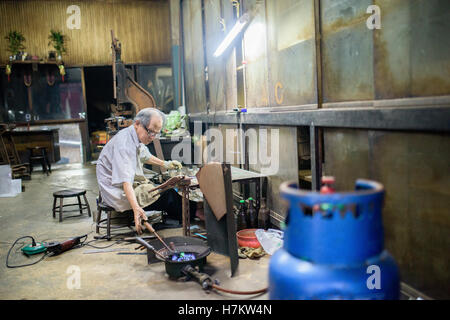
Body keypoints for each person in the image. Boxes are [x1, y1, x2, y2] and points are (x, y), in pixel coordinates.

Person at [96, 108, 183, 234]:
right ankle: (192, 212)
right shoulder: (125, 144)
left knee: (162, 190)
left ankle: (189, 211)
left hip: (122, 185)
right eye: (151, 132)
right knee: (168, 195)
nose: (153, 137)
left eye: (156, 134)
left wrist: (166, 163)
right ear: (137, 123)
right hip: (117, 192)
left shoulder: (133, 135)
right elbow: (125, 181)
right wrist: (136, 208)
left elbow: (145, 156)